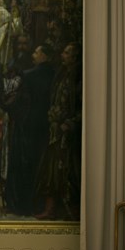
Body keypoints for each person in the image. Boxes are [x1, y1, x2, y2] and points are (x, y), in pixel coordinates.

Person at [0, 44, 56, 215]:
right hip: (42, 127)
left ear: (45, 55)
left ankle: (19, 206)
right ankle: (32, 204)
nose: (33, 54)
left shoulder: (30, 76)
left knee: (22, 166)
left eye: (36, 52)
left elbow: (8, 98)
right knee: (36, 167)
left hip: (26, 127)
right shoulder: (54, 73)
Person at [34, 42, 82, 220]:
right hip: (55, 132)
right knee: (51, 171)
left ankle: (73, 212)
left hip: (68, 134)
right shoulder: (61, 74)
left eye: (67, 52)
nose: (63, 54)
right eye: (64, 51)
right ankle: (51, 209)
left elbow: (82, 107)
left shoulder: (78, 78)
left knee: (69, 172)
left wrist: (70, 123)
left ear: (75, 57)